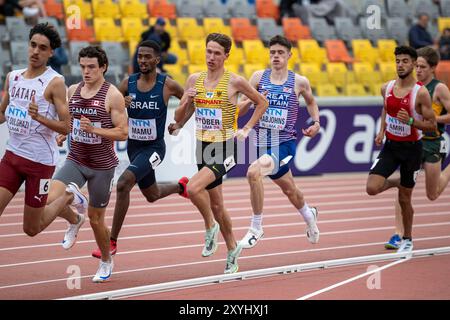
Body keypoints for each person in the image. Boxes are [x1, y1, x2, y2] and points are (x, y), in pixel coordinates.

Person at [171, 33, 268, 274]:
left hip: (225, 148)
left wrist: (246, 128)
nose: (211, 57)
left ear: (226, 55)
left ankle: (209, 227)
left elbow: (262, 102)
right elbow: (180, 115)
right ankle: (233, 248)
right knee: (217, 204)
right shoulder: (194, 79)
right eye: (208, 51)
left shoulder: (235, 81)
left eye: (217, 53)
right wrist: (183, 112)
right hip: (202, 146)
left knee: (193, 188)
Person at [91, 40, 187, 259]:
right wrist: (120, 104)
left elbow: (189, 100)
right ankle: (182, 187)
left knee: (124, 184)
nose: (142, 60)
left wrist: (179, 122)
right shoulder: (128, 83)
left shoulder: (167, 84)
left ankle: (111, 241)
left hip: (154, 148)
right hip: (134, 148)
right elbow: (109, 105)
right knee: (152, 195)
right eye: (140, 56)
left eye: (147, 57)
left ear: (157, 60)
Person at [49, 45, 128, 282]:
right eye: (82, 66)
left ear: (103, 67)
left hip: (102, 167)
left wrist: (94, 129)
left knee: (96, 221)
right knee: (50, 198)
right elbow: (71, 117)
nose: (86, 71)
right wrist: (65, 133)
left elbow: (123, 132)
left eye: (91, 67)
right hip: (76, 158)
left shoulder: (112, 95)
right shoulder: (73, 90)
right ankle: (74, 219)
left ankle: (106, 260)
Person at [237, 35, 320, 249]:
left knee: (253, 172)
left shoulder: (299, 82)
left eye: (280, 53)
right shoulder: (258, 77)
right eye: (272, 52)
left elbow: (311, 102)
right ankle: (309, 215)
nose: (275, 56)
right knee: (290, 190)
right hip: (263, 143)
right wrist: (253, 99)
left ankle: (256, 228)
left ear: (289, 55)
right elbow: (241, 107)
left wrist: (316, 122)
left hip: (285, 144)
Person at [0, 23, 82, 239]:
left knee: (31, 229)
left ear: (51, 52)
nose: (36, 51)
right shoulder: (13, 77)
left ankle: (66, 199)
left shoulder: (55, 83)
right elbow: (2, 114)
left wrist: (40, 118)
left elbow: (67, 126)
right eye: (33, 45)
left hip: (39, 163)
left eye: (42, 48)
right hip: (12, 157)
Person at [367, 46, 436, 254]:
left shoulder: (420, 93)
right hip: (391, 146)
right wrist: (381, 131)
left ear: (414, 64)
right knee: (372, 188)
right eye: (397, 61)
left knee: (405, 199)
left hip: (412, 149)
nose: (400, 65)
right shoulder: (386, 88)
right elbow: (386, 108)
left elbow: (432, 124)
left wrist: (413, 121)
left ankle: (407, 239)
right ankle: (400, 182)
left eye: (405, 61)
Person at [384, 46, 450, 250]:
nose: (418, 70)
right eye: (417, 66)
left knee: (432, 194)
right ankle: (398, 234)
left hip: (432, 142)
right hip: (413, 142)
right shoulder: (410, 86)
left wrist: (429, 119)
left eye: (422, 67)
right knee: (405, 189)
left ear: (432, 68)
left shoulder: (439, 89)